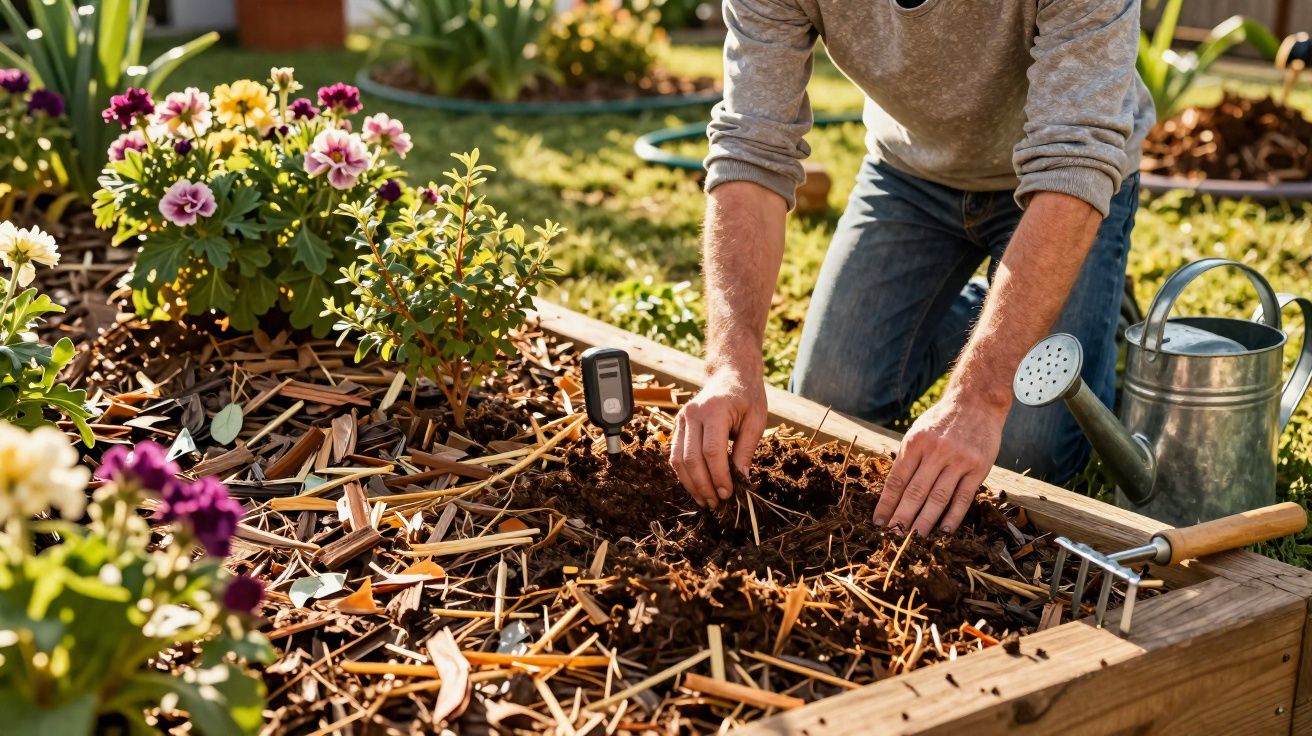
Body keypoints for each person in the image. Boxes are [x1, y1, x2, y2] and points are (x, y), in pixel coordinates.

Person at [669, 0, 1154, 538]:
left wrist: (981, 396)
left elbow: (1075, 161)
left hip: (1062, 183)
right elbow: (751, 146)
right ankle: (993, 308)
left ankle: (1091, 312)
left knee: (1025, 457)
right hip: (909, 175)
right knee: (831, 406)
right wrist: (729, 364)